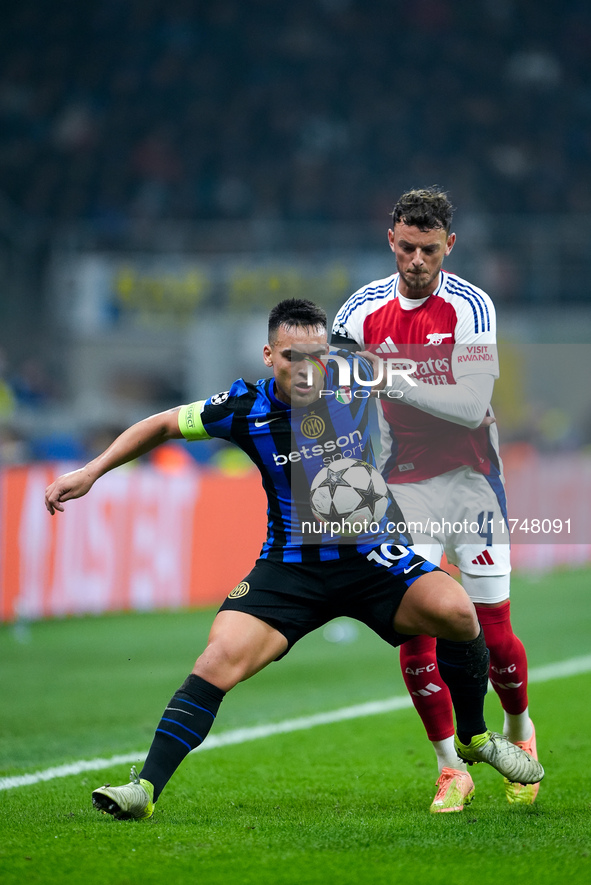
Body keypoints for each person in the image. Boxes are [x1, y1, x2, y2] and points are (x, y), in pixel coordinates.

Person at [44, 298, 543, 821]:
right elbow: (163, 425)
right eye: (290, 356)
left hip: (370, 556)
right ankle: (144, 788)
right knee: (216, 661)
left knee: (460, 613)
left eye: (316, 354)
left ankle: (472, 737)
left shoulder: (359, 376)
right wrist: (92, 472)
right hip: (291, 568)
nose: (305, 367)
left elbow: (443, 403)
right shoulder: (242, 407)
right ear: (267, 355)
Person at [331, 188, 539, 814]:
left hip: (472, 479)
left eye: (428, 249)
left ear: (450, 245)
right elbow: (340, 392)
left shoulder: (472, 306)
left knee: (493, 632)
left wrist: (389, 374)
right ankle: (452, 768)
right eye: (405, 247)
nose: (416, 260)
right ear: (390, 241)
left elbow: (472, 405)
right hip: (403, 485)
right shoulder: (359, 310)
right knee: (415, 632)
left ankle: (520, 728)